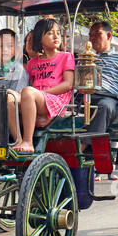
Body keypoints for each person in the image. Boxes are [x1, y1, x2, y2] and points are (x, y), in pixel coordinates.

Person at [9, 18, 74, 154]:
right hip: (36, 98)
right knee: (9, 96)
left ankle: (28, 141)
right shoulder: (33, 63)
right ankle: (18, 141)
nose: (56, 36)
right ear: (40, 39)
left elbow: (68, 84)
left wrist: (44, 93)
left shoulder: (65, 56)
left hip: (56, 100)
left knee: (28, 92)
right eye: (50, 33)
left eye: (58, 32)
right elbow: (31, 85)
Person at [85, 20, 118, 135]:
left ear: (108, 35)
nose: (92, 38)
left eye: (97, 34)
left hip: (109, 99)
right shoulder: (86, 57)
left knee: (104, 106)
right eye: (90, 35)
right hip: (85, 96)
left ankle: (85, 145)